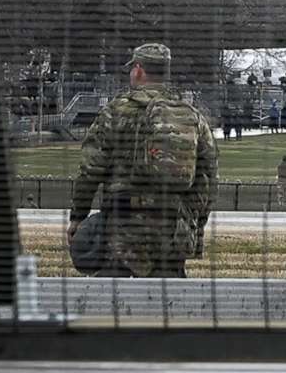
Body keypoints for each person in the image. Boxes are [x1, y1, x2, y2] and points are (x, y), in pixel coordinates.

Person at [66, 42, 218, 277]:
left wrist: (78, 217)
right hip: (173, 230)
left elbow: (90, 170)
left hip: (124, 230)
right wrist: (194, 226)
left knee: (116, 301)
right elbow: (208, 177)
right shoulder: (191, 116)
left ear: (138, 70)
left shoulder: (115, 112)